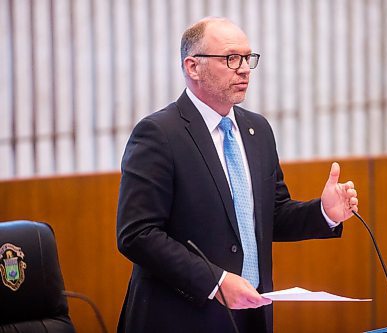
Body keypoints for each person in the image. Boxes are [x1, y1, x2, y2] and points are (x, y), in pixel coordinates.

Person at [116, 17, 358, 333]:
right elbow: (137, 234)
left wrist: (324, 213)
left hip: (251, 314)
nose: (243, 68)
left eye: (247, 58)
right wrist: (214, 281)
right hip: (182, 316)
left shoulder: (257, 131)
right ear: (192, 67)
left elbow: (271, 215)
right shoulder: (159, 134)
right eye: (231, 58)